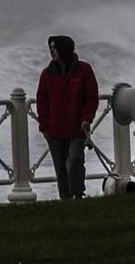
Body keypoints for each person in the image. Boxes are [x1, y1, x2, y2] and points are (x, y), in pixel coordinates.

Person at [36, 35, 99, 199]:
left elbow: (91, 96)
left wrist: (87, 118)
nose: (51, 52)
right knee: (60, 166)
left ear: (65, 49)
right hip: (54, 128)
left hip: (77, 127)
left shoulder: (84, 70)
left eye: (54, 48)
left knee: (74, 161)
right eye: (50, 49)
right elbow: (42, 100)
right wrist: (43, 126)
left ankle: (78, 194)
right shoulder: (47, 73)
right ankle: (65, 196)